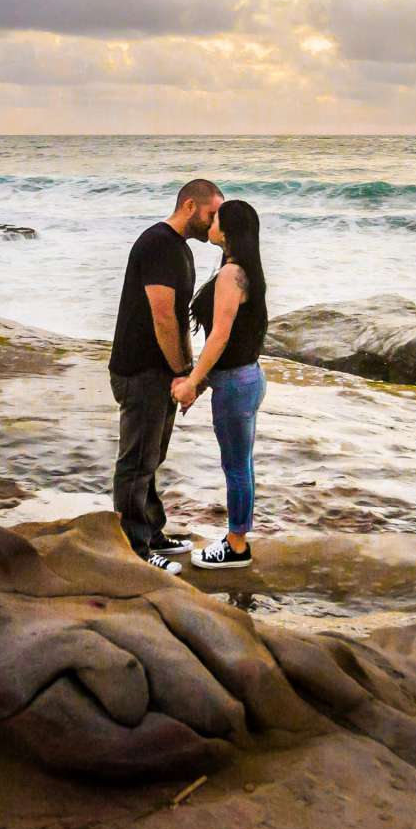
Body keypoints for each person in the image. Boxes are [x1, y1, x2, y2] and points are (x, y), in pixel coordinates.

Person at [107, 177, 222, 572]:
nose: (213, 222)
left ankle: (151, 530)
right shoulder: (158, 243)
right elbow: (161, 317)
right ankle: (135, 549)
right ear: (190, 206)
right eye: (211, 213)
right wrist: (179, 372)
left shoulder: (180, 250)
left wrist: (186, 374)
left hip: (160, 372)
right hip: (139, 370)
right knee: (137, 460)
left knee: (152, 455)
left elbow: (179, 318)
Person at [174, 198, 267, 569]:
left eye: (216, 219)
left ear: (226, 232)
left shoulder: (232, 275)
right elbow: (233, 338)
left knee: (236, 466)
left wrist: (193, 381)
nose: (210, 222)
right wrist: (203, 381)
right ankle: (237, 536)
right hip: (245, 377)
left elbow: (220, 337)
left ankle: (236, 545)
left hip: (236, 383)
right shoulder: (244, 271)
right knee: (241, 463)